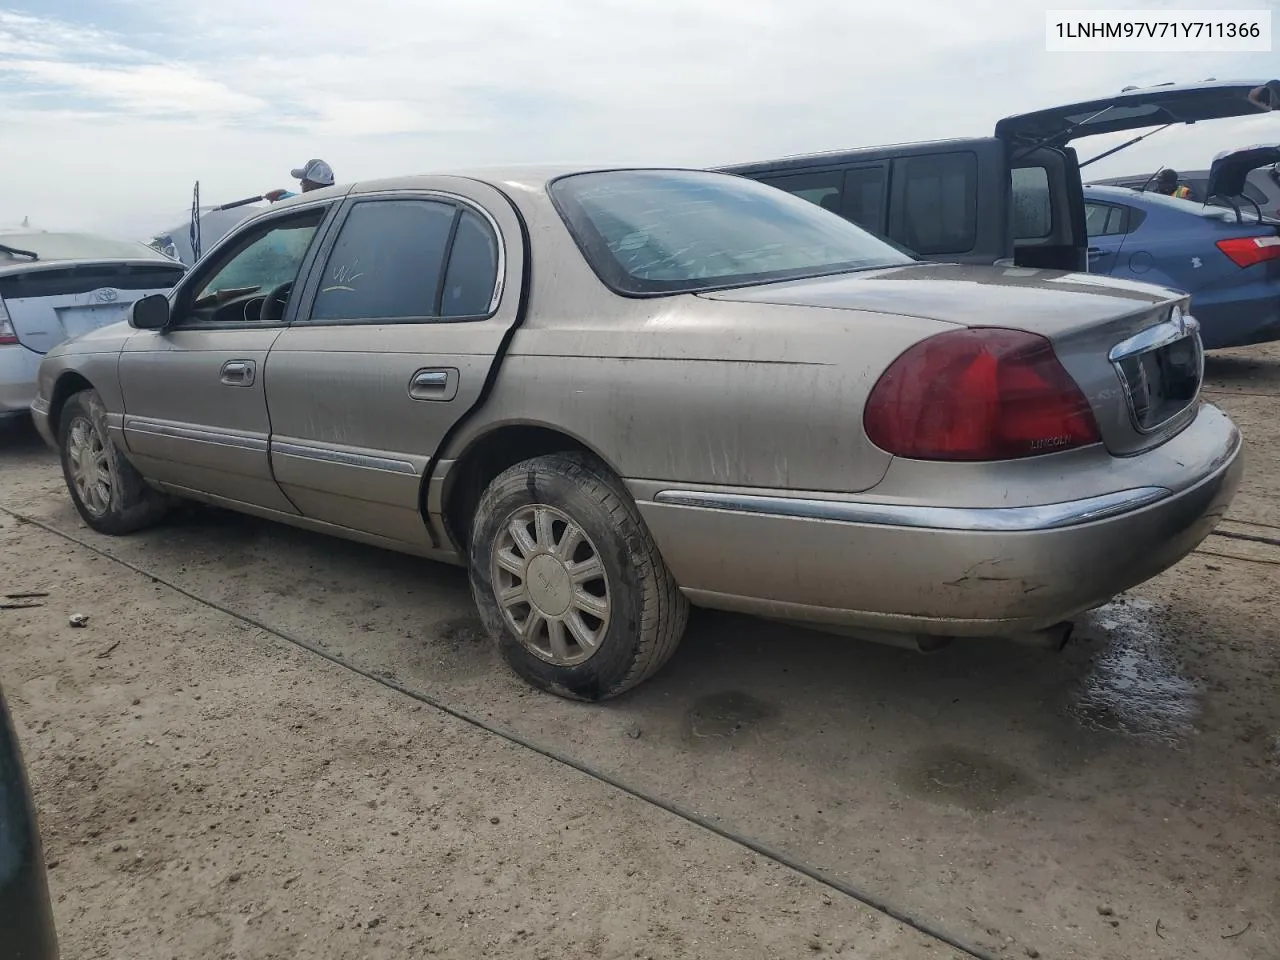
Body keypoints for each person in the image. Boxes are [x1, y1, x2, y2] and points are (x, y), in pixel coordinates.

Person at [264, 159, 335, 202]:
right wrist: (285, 194)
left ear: (313, 185)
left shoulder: (313, 210)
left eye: (304, 180)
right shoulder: (333, 202)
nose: (301, 183)